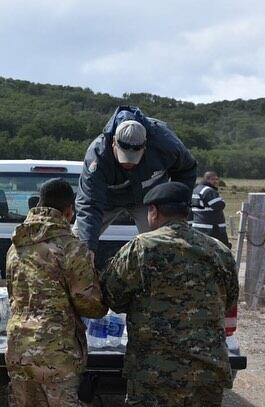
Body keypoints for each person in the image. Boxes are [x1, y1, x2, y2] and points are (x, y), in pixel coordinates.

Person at [101, 182, 239, 406]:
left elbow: (112, 298)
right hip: (206, 373)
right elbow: (229, 300)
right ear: (186, 213)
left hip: (154, 374)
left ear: (153, 211)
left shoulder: (141, 248)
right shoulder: (219, 250)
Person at [6, 178, 108, 407]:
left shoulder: (16, 245)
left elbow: (13, 294)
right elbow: (89, 303)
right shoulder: (71, 247)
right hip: (57, 354)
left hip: (19, 349)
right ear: (70, 211)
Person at [73, 105, 197, 266]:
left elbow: (186, 169)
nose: (129, 164)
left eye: (135, 158)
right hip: (106, 201)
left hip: (148, 199)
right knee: (77, 245)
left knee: (166, 243)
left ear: (145, 146)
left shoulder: (167, 145)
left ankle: (168, 277)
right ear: (113, 144)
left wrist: (176, 201)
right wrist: (87, 247)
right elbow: (89, 203)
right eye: (124, 158)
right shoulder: (97, 155)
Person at [192, 171, 231, 248]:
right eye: (213, 179)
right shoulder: (209, 191)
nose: (216, 182)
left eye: (217, 179)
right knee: (221, 249)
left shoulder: (196, 189)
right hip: (212, 228)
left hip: (198, 226)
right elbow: (219, 205)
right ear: (207, 179)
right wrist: (222, 200)